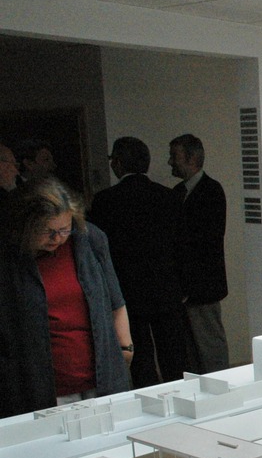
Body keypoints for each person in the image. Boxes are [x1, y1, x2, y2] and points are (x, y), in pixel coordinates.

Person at [0, 177, 133, 417]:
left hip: (102, 382)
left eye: (64, 229)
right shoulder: (10, 258)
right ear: (25, 225)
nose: (57, 238)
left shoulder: (90, 239)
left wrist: (126, 349)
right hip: (42, 389)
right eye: (47, 231)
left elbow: (116, 302)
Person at [88, 136, 187, 389]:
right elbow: (181, 246)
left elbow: (99, 252)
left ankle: (150, 405)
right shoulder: (168, 197)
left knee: (141, 357)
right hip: (167, 287)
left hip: (129, 289)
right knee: (174, 355)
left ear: (119, 163)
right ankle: (180, 395)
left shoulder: (105, 201)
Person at [168, 133, 229, 374]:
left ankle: (221, 387)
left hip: (203, 285)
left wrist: (189, 286)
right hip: (183, 285)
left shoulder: (211, 191)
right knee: (191, 350)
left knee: (210, 345)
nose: (170, 162)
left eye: (175, 156)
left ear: (191, 158)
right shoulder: (177, 192)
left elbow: (206, 243)